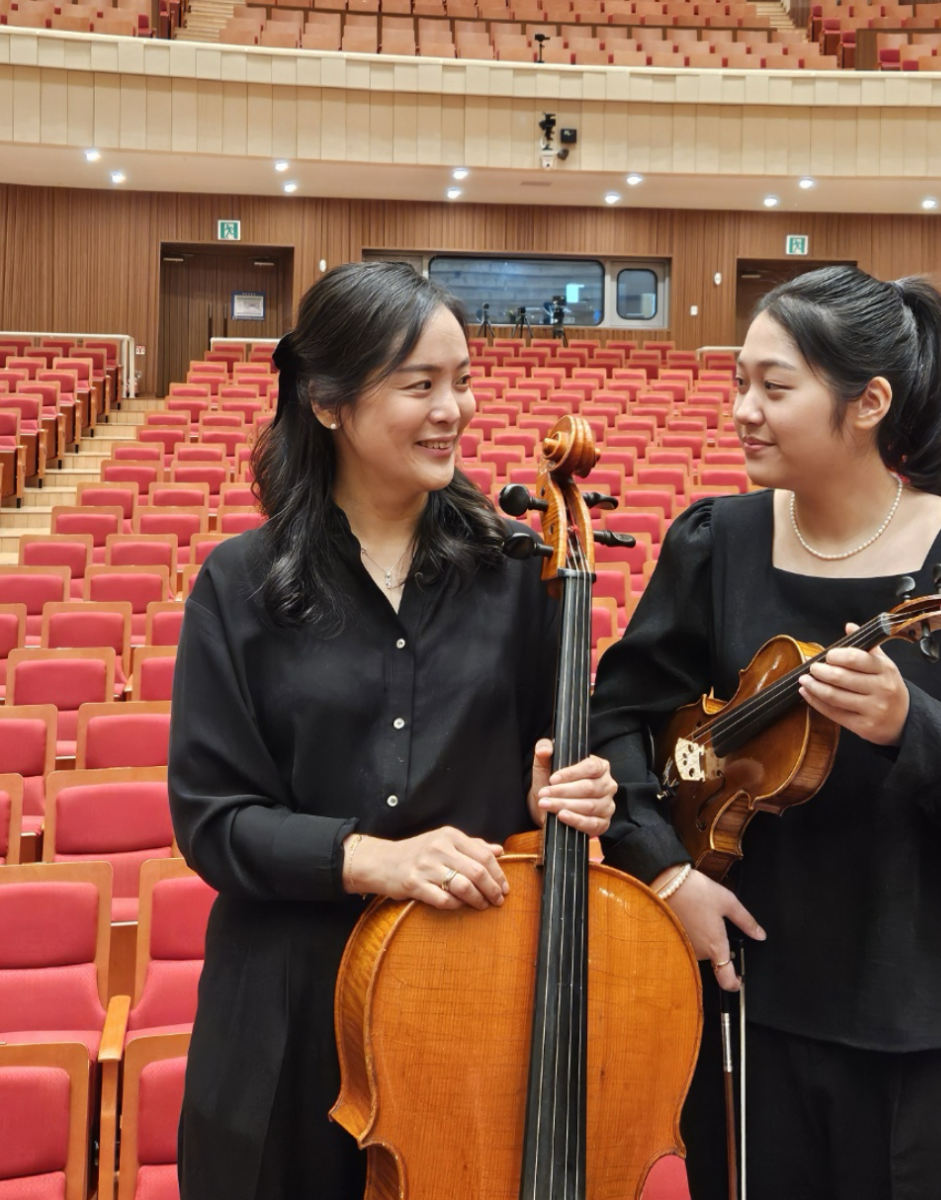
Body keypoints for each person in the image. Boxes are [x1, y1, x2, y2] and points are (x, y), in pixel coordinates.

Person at [590, 266, 941, 1200]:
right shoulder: (714, 544)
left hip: (917, 1021)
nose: (742, 410)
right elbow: (627, 721)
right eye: (739, 383)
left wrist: (909, 726)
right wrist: (666, 867)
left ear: (868, 403)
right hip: (741, 1000)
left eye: (773, 387)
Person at [169, 261, 617, 1200]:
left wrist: (565, 789)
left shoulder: (519, 567)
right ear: (328, 402)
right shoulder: (240, 584)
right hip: (285, 1005)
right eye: (420, 385)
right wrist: (373, 858)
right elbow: (214, 821)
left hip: (468, 989)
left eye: (461, 380)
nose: (451, 409)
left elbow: (562, 757)